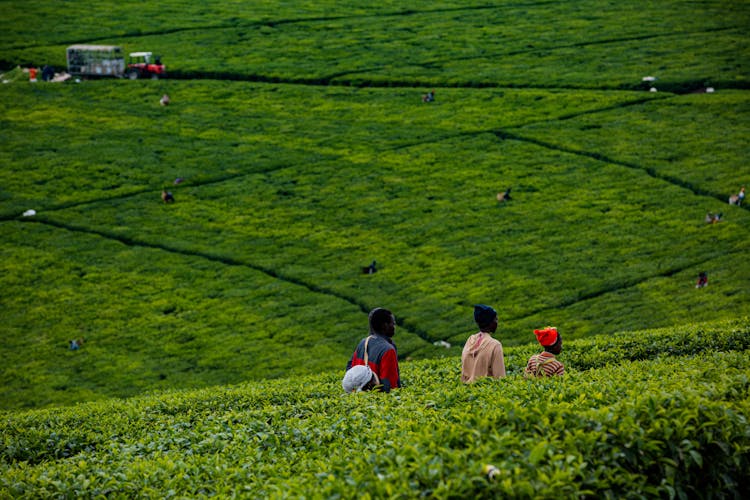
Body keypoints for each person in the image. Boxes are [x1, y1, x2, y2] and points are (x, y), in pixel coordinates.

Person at [345, 308, 400, 392]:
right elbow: (390, 386)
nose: (394, 327)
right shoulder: (388, 350)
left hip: (359, 396)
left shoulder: (363, 342)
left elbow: (350, 368)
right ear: (384, 325)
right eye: (393, 324)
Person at [461, 304, 506, 383]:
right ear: (490, 322)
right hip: (484, 391)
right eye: (495, 319)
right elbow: (500, 378)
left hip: (466, 390)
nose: (497, 321)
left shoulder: (470, 340)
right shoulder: (495, 345)